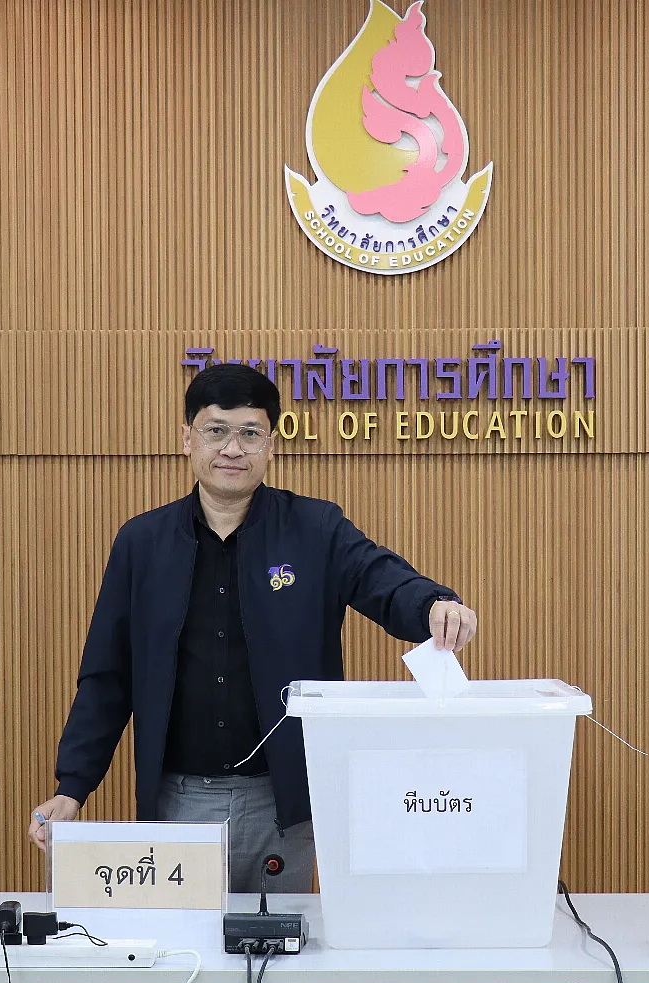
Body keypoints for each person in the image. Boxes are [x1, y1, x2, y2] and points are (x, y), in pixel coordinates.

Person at [29, 365, 478, 892]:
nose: (232, 448)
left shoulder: (315, 529)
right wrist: (73, 785)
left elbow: (381, 578)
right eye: (215, 430)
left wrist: (433, 605)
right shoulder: (142, 543)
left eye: (249, 432)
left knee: (279, 939)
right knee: (185, 941)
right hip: (178, 801)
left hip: (282, 801)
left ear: (271, 444)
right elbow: (107, 677)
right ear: (187, 438)